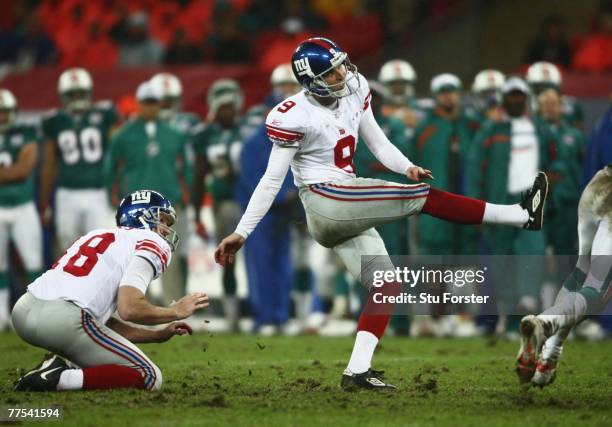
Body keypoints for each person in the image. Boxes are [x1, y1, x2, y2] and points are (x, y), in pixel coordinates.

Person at [214, 37, 549, 390]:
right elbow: (271, 180)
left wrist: (406, 167)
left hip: (342, 206)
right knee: (422, 197)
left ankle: (357, 371)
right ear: (312, 80)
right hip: (326, 198)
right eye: (332, 72)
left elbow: (376, 140)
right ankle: (521, 214)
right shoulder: (293, 115)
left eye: (342, 64)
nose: (343, 73)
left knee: (386, 285)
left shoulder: (355, 88)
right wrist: (243, 232)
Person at [11, 190, 209, 392]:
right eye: (163, 221)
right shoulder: (151, 241)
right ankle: (59, 378)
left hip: (24, 310)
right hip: (64, 322)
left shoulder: (95, 234)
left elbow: (97, 321)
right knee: (149, 375)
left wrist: (156, 335)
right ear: (141, 215)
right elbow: (130, 308)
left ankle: (57, 369)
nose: (166, 230)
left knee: (94, 351)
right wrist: (175, 311)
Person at [468, 77, 552, 334]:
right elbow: (474, 171)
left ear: (526, 100)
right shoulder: (490, 131)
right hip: (499, 208)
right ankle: (509, 316)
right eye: (511, 96)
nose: (515, 100)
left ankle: (528, 301)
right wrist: (476, 210)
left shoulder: (539, 129)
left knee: (532, 253)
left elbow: (553, 162)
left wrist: (549, 197)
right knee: (501, 262)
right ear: (504, 99)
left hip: (531, 208)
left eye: (520, 96)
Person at [516, 164, 611, 387]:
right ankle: (545, 323)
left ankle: (549, 357)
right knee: (597, 287)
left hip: (600, 183)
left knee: (581, 272)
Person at [105, 82, 189, 306]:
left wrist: (184, 190)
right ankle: (140, 304)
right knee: (135, 258)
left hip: (167, 203)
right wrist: (111, 194)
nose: (150, 108)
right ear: (138, 104)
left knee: (169, 254)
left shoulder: (174, 134)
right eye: (146, 103)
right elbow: (110, 166)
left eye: (154, 103)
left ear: (160, 105)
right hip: (136, 206)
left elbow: (186, 166)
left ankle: (173, 305)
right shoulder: (123, 136)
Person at [40, 67, 118, 251]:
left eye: (80, 93)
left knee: (102, 247)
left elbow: (116, 155)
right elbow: (49, 164)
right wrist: (44, 200)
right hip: (67, 192)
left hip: (98, 191)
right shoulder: (55, 120)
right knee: (69, 248)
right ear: (63, 96)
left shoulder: (104, 114)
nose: (76, 98)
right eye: (72, 94)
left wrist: (115, 187)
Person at [191, 79, 244, 331]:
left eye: (231, 106)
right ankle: (233, 316)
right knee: (228, 260)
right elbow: (199, 175)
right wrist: (196, 213)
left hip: (252, 202)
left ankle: (268, 313)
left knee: (259, 260)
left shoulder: (249, 129)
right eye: (223, 107)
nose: (228, 111)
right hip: (224, 202)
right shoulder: (204, 135)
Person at [149, 72, 200, 296]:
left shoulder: (188, 123)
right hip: (153, 196)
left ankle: (180, 299)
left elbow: (197, 161)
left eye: (170, 99)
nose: (167, 104)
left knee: (180, 252)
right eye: (162, 100)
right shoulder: (145, 127)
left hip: (179, 195)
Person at [0, 89, 42, 330]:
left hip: (23, 207)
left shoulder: (25, 132)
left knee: (33, 263)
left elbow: (24, 169)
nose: (2, 116)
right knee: (0, 265)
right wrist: (10, 173)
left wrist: (12, 173)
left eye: (5, 111)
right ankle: (1, 315)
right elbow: (15, 170)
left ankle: (35, 314)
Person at [525, 61, 584, 129]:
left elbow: (578, 135)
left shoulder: (571, 107)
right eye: (540, 88)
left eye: (550, 87)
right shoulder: (525, 109)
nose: (546, 94)